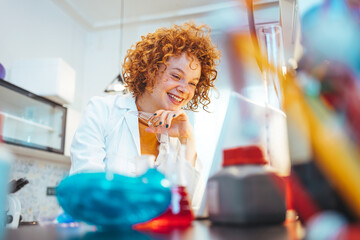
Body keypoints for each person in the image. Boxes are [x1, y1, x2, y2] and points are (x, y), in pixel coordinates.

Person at [70, 22, 221, 211]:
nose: (184, 89)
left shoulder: (177, 135)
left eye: (192, 83)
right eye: (176, 76)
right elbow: (87, 190)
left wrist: (187, 140)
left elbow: (188, 207)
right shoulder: (102, 110)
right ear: (150, 71)